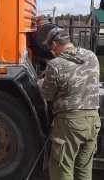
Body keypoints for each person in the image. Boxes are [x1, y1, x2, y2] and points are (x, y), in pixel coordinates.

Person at [38, 26, 101, 180]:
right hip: (93, 122)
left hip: (69, 124)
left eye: (49, 46)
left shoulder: (55, 64)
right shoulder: (92, 56)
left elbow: (47, 95)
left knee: (62, 170)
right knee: (84, 170)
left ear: (53, 45)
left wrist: (41, 82)